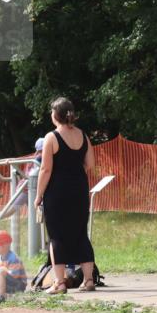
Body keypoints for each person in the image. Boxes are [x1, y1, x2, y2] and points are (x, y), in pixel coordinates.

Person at [35, 98, 97, 294]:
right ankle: (88, 281)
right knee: (81, 235)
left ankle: (59, 283)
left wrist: (38, 195)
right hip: (79, 190)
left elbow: (45, 169)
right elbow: (90, 165)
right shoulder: (83, 135)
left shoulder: (51, 137)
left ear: (56, 115)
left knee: (57, 237)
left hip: (57, 192)